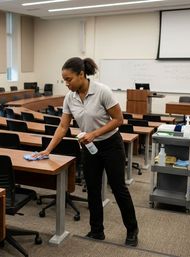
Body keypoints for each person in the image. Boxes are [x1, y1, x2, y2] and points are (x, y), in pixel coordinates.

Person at [34, 57, 139, 246]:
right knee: (92, 189)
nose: (66, 84)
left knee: (118, 188)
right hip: (90, 148)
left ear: (81, 75)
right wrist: (47, 150)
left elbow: (118, 120)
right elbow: (63, 126)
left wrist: (94, 133)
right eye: (64, 80)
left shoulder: (102, 91)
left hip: (111, 145)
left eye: (69, 79)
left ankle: (132, 230)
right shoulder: (69, 97)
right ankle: (97, 230)